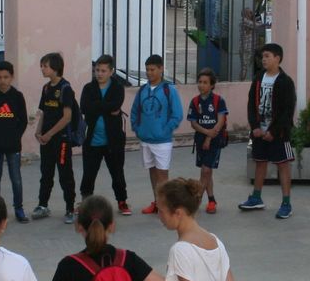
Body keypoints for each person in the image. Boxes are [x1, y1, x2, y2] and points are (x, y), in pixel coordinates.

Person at [240, 43, 297, 219]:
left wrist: (273, 131)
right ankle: (256, 197)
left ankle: (286, 203)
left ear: (277, 58)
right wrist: (255, 126)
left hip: (278, 134)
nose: (264, 59)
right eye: (262, 56)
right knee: (260, 162)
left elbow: (287, 110)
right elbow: (251, 104)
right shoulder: (258, 78)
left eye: (267, 56)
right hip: (259, 132)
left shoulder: (285, 81)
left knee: (283, 165)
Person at [130, 54, 182, 215]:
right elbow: (135, 111)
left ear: (161, 69)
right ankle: (157, 202)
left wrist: (165, 130)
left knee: (162, 174)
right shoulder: (143, 90)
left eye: (152, 69)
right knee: (152, 171)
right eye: (147, 70)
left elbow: (177, 114)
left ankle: (166, 206)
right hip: (146, 139)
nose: (149, 73)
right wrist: (137, 129)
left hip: (162, 141)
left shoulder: (169, 90)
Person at [79, 55, 130, 214]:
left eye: (103, 70)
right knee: (88, 174)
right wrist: (107, 108)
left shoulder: (117, 88)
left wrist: (98, 106)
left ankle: (122, 201)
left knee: (117, 173)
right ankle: (85, 202)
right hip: (92, 140)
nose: (99, 74)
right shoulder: (88, 88)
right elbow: (85, 107)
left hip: (113, 140)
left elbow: (116, 104)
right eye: (97, 70)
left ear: (111, 71)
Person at [32, 52, 79, 224]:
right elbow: (43, 112)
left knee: (65, 174)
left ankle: (70, 208)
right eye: (42, 66)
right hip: (46, 139)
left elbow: (66, 117)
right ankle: (42, 205)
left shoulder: (66, 89)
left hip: (61, 139)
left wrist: (50, 134)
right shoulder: (46, 88)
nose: (42, 69)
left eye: (45, 66)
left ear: (56, 68)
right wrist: (38, 131)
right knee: (46, 172)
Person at [0, 61, 30, 223]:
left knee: (16, 178)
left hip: (13, 146)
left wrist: (16, 136)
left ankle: (19, 208)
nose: (2, 80)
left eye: (6, 77)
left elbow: (22, 120)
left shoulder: (17, 96)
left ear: (12, 77)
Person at [187, 68, 228, 215]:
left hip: (215, 140)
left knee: (205, 170)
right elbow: (193, 123)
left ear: (212, 85)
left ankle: (196, 200)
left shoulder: (218, 100)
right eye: (200, 82)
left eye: (205, 82)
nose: (201, 85)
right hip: (200, 139)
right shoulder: (195, 101)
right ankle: (211, 200)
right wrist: (205, 133)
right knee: (207, 171)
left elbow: (220, 121)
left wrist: (210, 137)